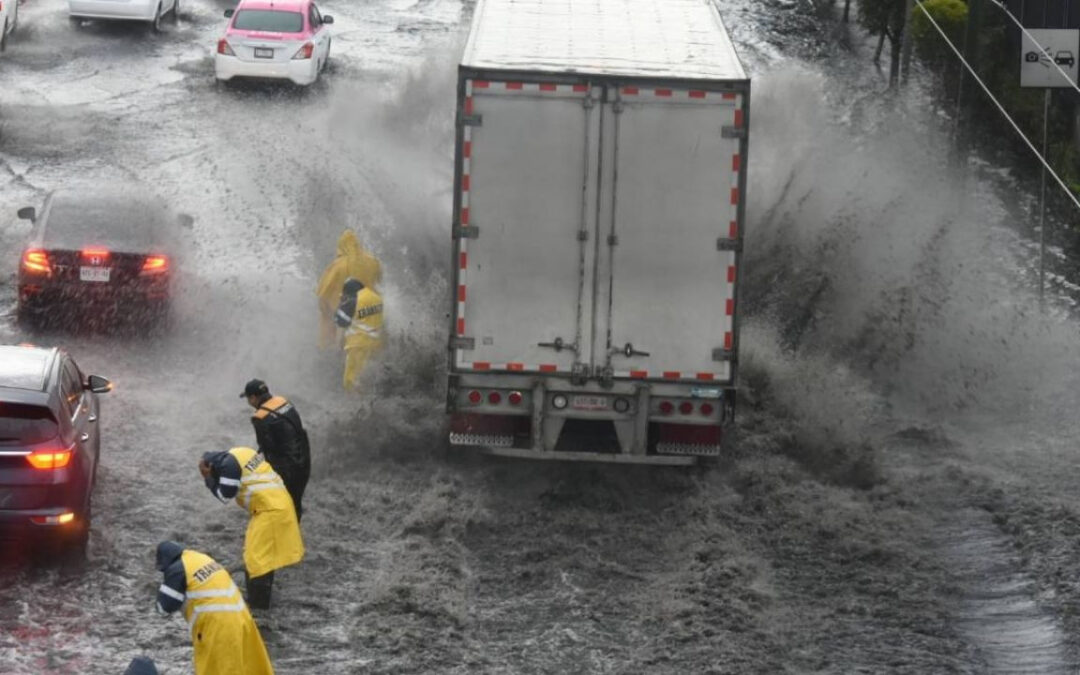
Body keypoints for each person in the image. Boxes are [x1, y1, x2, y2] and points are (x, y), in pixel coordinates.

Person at [199, 447, 304, 610]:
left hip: (270, 511)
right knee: (261, 556)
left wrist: (208, 479)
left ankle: (258, 607)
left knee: (257, 560)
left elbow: (225, 495)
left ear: (213, 467)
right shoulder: (241, 452)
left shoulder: (228, 466)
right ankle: (260, 600)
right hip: (278, 503)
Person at [154, 541, 274, 675]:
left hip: (218, 628)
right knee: (248, 668)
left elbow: (163, 608)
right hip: (242, 619)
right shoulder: (200, 558)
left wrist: (161, 588)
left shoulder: (177, 569)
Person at [240, 379, 311, 521]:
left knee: (281, 506)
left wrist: (250, 466)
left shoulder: (260, 417)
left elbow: (268, 449)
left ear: (253, 397)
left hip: (287, 468)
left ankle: (287, 536)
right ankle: (294, 532)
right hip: (304, 459)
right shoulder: (284, 402)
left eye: (248, 398)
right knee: (296, 502)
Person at [316, 229, 381, 351]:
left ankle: (326, 349)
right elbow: (379, 281)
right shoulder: (373, 261)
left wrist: (326, 310)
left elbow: (323, 292)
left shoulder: (337, 265)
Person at [336, 277, 384, 391]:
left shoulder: (354, 300)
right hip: (376, 344)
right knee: (367, 378)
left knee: (350, 381)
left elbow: (340, 321)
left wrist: (342, 303)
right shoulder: (377, 297)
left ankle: (357, 406)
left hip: (358, 346)